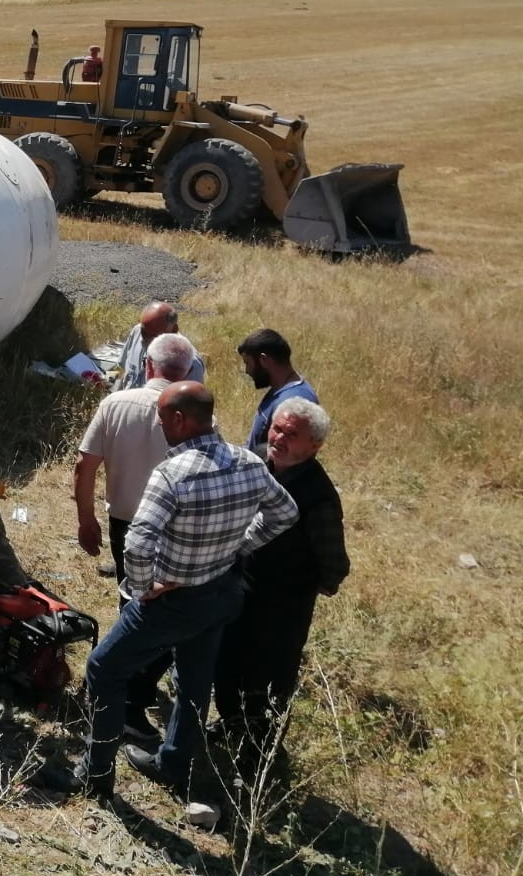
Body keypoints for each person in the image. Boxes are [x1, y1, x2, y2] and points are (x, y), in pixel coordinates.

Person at [42, 382, 298, 800]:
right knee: (195, 682)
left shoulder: (173, 473)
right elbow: (285, 512)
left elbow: (138, 543)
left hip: (174, 600)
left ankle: (95, 775)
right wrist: (236, 547)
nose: (159, 425)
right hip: (221, 592)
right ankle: (174, 763)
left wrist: (142, 591)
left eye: (162, 419)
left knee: (104, 669)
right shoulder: (250, 462)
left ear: (180, 420)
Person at [72, 332, 201, 740]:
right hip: (174, 528)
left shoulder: (115, 403)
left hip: (124, 523)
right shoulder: (196, 416)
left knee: (133, 603)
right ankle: (127, 696)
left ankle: (112, 684)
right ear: (188, 371)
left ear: (147, 364)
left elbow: (84, 466)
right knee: (155, 614)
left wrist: (85, 518)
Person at [214, 398, 349, 767]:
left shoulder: (318, 497)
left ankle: (260, 758)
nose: (279, 438)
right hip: (238, 587)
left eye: (292, 434)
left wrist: (308, 587)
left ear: (314, 445)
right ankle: (230, 724)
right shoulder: (255, 460)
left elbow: (335, 563)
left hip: (282, 606)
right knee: (226, 665)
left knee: (268, 681)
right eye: (276, 428)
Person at [237, 328, 319, 457]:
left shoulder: (293, 401)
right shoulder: (280, 390)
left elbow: (289, 457)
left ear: (263, 360)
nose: (247, 371)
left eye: (248, 363)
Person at [112, 301, 204, 394]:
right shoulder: (137, 332)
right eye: (143, 332)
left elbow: (190, 402)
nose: (143, 340)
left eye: (153, 335)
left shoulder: (189, 362)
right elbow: (124, 373)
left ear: (173, 330)